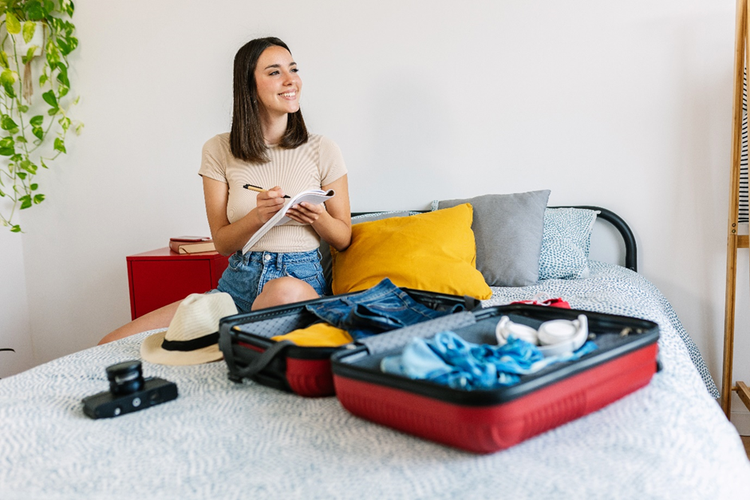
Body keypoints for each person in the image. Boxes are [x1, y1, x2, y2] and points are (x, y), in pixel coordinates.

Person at [99, 37, 351, 344]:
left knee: (283, 292)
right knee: (113, 342)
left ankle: (237, 342)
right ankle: (239, 336)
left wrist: (317, 217)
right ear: (249, 86)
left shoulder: (323, 148)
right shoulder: (218, 149)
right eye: (274, 72)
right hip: (237, 287)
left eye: (293, 69)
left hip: (298, 281)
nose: (291, 80)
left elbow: (343, 237)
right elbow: (222, 242)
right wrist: (258, 216)